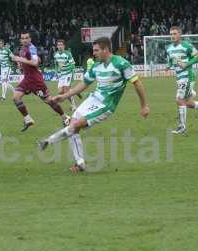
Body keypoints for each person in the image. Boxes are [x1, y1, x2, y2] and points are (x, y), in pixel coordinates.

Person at [39, 37, 150, 172]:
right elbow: (84, 84)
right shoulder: (96, 66)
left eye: (96, 50)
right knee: (71, 124)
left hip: (106, 105)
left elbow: (137, 83)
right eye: (94, 50)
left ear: (106, 50)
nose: (94, 53)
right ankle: (80, 164)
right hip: (93, 99)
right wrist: (64, 96)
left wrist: (144, 105)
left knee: (75, 125)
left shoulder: (121, 64)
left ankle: (48, 141)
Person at [12, 31, 70, 132]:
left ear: (30, 39)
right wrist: (21, 64)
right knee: (16, 97)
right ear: (20, 40)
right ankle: (28, 119)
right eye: (23, 38)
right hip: (27, 79)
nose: (25, 40)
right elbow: (36, 60)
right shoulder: (23, 49)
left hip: (35, 80)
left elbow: (34, 63)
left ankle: (66, 118)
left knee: (49, 101)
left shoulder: (31, 48)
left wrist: (20, 59)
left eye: (26, 38)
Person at [53, 39, 79, 112]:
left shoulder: (68, 54)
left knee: (66, 90)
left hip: (68, 74)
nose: (60, 46)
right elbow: (56, 64)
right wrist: (56, 71)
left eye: (61, 45)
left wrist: (65, 67)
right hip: (61, 75)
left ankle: (74, 106)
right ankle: (73, 91)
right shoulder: (55, 54)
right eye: (58, 45)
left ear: (64, 46)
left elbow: (73, 65)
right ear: (57, 46)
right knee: (60, 92)